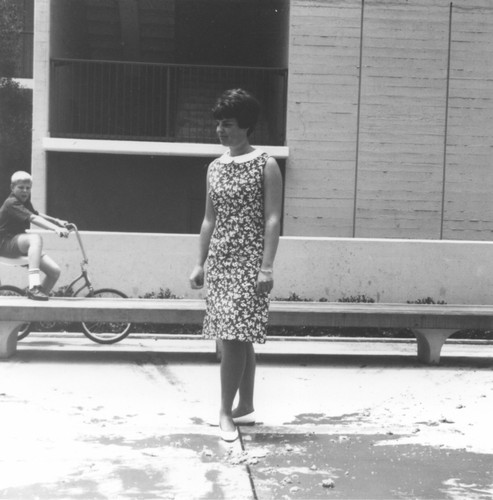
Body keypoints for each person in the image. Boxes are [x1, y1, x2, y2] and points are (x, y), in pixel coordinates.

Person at [189, 89, 283, 442]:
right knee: (237, 337)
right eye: (218, 124)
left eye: (227, 124)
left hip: (250, 262)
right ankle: (246, 406)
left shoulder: (266, 164)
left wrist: (266, 267)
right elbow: (208, 220)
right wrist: (199, 263)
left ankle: (225, 411)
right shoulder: (215, 167)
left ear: (245, 126)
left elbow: (273, 219)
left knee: (233, 336)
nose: (220, 130)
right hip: (221, 261)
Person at [0, 171, 70, 300]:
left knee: (54, 271)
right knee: (35, 238)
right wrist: (56, 229)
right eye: (21, 187)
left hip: (17, 244)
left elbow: (36, 213)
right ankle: (34, 287)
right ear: (12, 188)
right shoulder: (12, 203)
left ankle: (36, 305)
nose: (25, 191)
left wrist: (56, 221)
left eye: (28, 188)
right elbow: (33, 218)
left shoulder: (24, 202)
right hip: (5, 244)